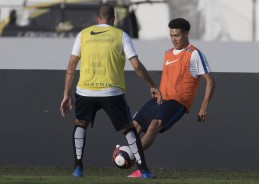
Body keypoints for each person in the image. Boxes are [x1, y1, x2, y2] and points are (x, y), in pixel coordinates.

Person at [60, 4, 161, 178]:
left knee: (80, 124)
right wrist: (152, 85)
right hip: (111, 92)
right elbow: (136, 65)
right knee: (129, 129)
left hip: (85, 91)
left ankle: (78, 169)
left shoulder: (83, 34)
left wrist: (66, 94)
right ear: (114, 19)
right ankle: (144, 171)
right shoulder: (121, 35)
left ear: (97, 19)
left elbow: (71, 66)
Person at [128, 18, 216, 178]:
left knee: (154, 125)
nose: (173, 39)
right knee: (134, 125)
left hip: (178, 102)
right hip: (160, 99)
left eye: (177, 35)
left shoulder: (194, 54)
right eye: (171, 35)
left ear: (186, 34)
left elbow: (210, 80)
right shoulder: (168, 53)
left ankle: (129, 155)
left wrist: (203, 106)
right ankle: (140, 167)